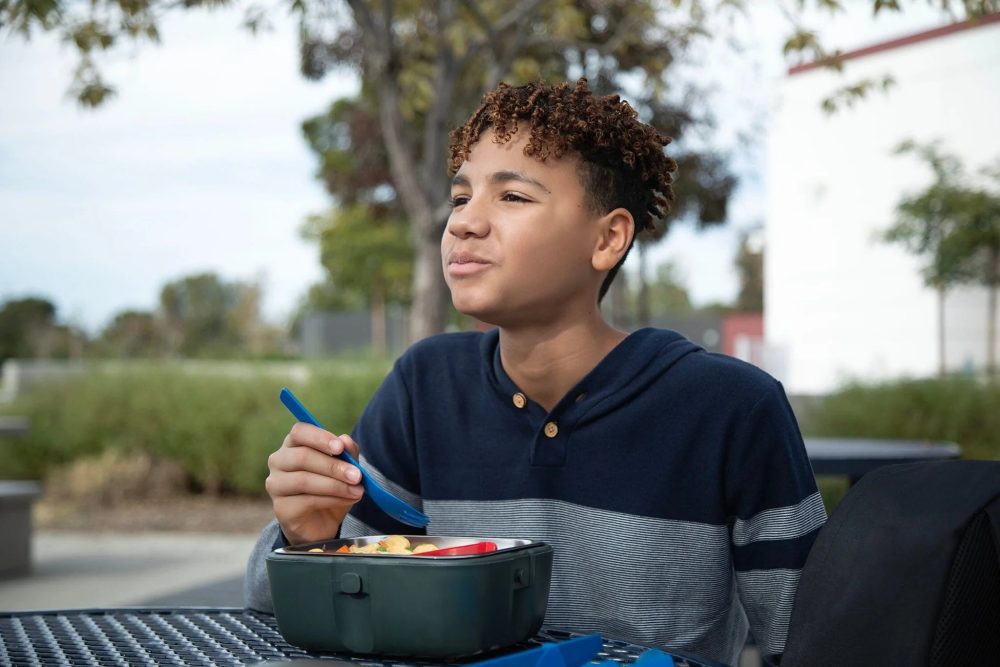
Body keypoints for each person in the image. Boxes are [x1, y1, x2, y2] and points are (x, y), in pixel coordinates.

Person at [244, 78, 825, 666]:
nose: (465, 223)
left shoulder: (731, 408)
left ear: (608, 238)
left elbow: (812, 639)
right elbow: (283, 609)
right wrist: (311, 538)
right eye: (460, 197)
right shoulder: (426, 386)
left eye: (512, 197)